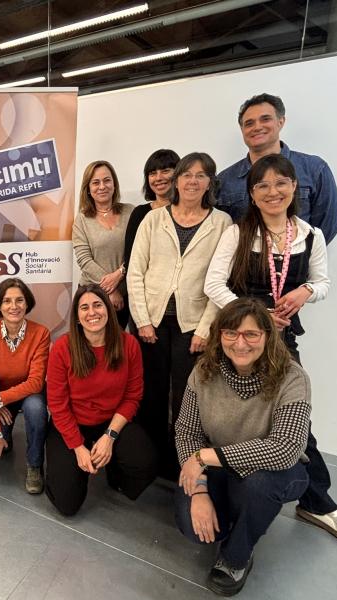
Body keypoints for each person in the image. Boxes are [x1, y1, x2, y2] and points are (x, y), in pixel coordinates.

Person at [204, 153, 337, 547]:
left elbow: (324, 282)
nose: (272, 192)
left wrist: (306, 290)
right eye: (262, 185)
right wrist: (253, 314)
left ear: (295, 187)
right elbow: (214, 283)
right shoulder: (238, 233)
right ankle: (216, 488)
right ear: (252, 193)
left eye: (281, 183)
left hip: (281, 342)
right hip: (237, 338)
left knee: (295, 422)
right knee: (221, 413)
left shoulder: (311, 235)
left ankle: (317, 501)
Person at [174, 298, 311, 596]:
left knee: (258, 488)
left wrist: (205, 456)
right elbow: (186, 432)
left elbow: (285, 448)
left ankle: (237, 555)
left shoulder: (292, 377)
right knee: (193, 526)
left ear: (267, 335)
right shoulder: (204, 372)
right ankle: (241, 515)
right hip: (219, 470)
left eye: (251, 334)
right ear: (219, 334)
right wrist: (198, 491)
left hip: (276, 472)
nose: (240, 343)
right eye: (231, 333)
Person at [126, 152, 231, 478]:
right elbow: (135, 272)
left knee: (186, 396)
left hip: (193, 325)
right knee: (151, 393)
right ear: (177, 180)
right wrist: (142, 319)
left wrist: (205, 329)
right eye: (187, 175)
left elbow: (219, 280)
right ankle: (150, 458)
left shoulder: (221, 223)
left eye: (201, 176)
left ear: (210, 183)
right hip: (152, 323)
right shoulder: (154, 219)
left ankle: (179, 462)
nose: (193, 181)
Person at [45, 284, 157, 516]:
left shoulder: (129, 344)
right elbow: (57, 404)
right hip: (71, 425)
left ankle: (112, 468)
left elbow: (132, 396)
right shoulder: (62, 348)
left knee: (145, 463)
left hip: (111, 422)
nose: (92, 312)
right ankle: (73, 467)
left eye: (97, 305)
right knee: (67, 504)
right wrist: (78, 448)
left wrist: (110, 436)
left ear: (108, 309)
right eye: (84, 307)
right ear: (77, 317)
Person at [216, 93, 337, 243]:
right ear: (242, 129)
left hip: (297, 264)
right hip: (243, 265)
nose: (257, 127)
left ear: (281, 122)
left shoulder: (314, 169)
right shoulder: (225, 179)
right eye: (249, 123)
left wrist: (299, 256)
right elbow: (219, 231)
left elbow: (328, 225)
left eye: (265, 119)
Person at [0, 278, 50, 494]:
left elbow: (36, 383)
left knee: (36, 409)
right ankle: (5, 436)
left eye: (19, 300)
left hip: (29, 394)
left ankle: (35, 465)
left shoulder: (41, 333)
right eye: (7, 301)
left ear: (27, 304)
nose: (14, 306)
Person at [122, 149, 181, 337]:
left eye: (165, 171)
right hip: (146, 306)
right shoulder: (140, 214)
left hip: (183, 308)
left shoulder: (192, 214)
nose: (159, 178)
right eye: (152, 173)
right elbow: (132, 261)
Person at [72, 160, 132, 329]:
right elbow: (84, 260)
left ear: (114, 184)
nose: (102, 186)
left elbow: (139, 252)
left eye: (107, 180)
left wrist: (120, 273)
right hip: (90, 296)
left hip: (124, 295)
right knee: (88, 349)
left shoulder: (131, 212)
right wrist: (111, 290)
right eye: (95, 182)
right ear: (88, 189)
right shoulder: (82, 220)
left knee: (115, 349)